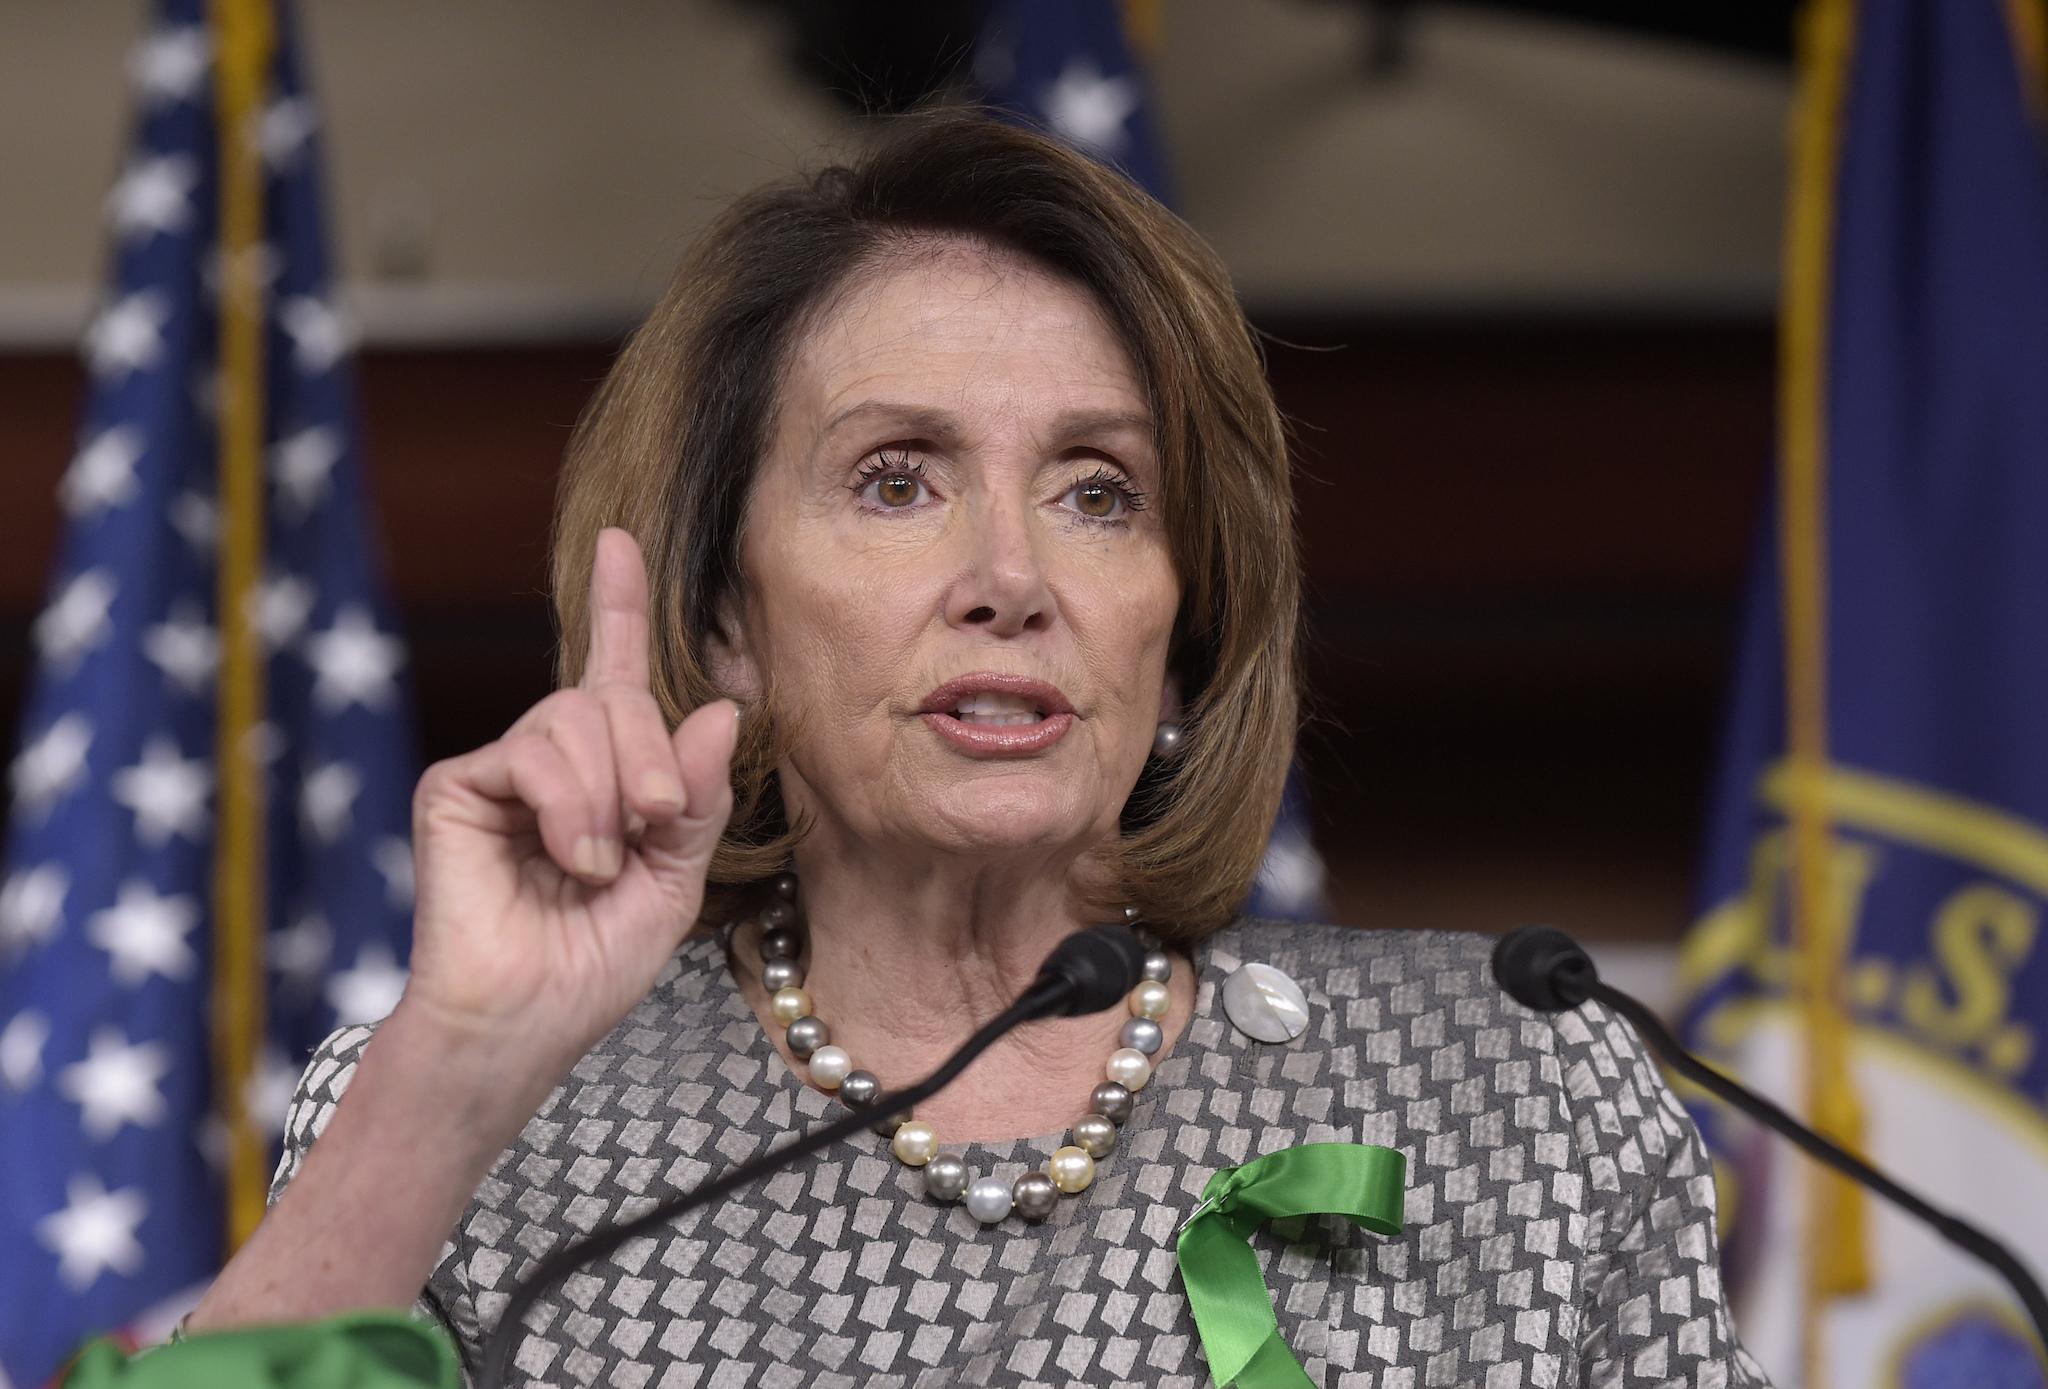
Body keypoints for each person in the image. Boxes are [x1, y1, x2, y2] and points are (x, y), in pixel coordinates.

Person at [188, 109, 1769, 1388]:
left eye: (1099, 492)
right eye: (895, 479)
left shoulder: (1517, 1092)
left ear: (1184, 624)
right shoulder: (479, 1120)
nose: (1011, 577)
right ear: (725, 613)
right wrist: (453, 1070)